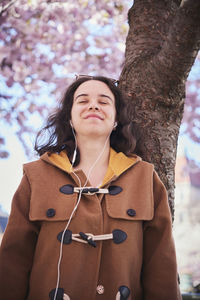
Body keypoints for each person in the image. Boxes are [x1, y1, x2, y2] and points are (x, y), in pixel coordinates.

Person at [0, 75, 182, 300]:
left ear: (116, 119)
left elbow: (160, 262)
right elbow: (13, 260)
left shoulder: (144, 177)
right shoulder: (36, 175)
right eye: (83, 100)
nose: (93, 105)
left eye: (104, 101)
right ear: (70, 117)